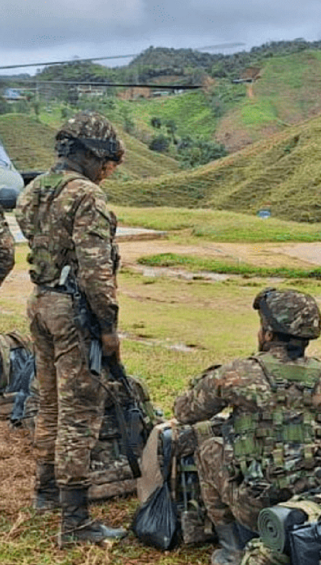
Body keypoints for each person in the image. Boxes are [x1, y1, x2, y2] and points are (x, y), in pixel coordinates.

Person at [173, 288, 321, 565]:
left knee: (208, 449)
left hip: (257, 508)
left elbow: (184, 411)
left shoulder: (238, 373)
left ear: (269, 334)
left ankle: (232, 549)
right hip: (319, 504)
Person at [16, 111, 126, 546]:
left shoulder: (33, 191)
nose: (108, 172)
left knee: (49, 403)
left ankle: (46, 494)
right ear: (92, 155)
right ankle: (76, 521)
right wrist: (109, 328)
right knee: (81, 410)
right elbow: (97, 272)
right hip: (75, 310)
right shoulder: (86, 195)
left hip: (40, 302)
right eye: (107, 163)